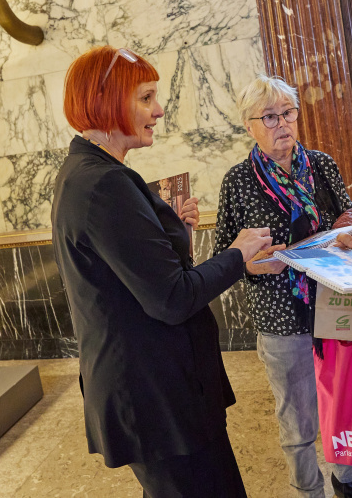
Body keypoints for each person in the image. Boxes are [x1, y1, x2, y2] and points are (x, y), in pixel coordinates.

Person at [51, 45, 273, 497]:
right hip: (157, 397)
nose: (160, 110)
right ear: (108, 99)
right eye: (146, 97)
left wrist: (175, 232)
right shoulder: (105, 182)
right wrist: (238, 253)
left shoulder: (87, 170)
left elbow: (137, 276)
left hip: (155, 390)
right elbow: (171, 298)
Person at [213, 75, 352, 498]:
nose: (282, 123)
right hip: (280, 315)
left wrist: (347, 239)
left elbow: (347, 222)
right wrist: (254, 265)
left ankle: (347, 478)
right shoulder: (238, 182)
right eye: (269, 116)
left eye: (288, 112)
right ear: (249, 125)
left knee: (341, 402)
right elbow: (225, 258)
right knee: (297, 418)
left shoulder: (321, 165)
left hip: (335, 306)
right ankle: (308, 491)